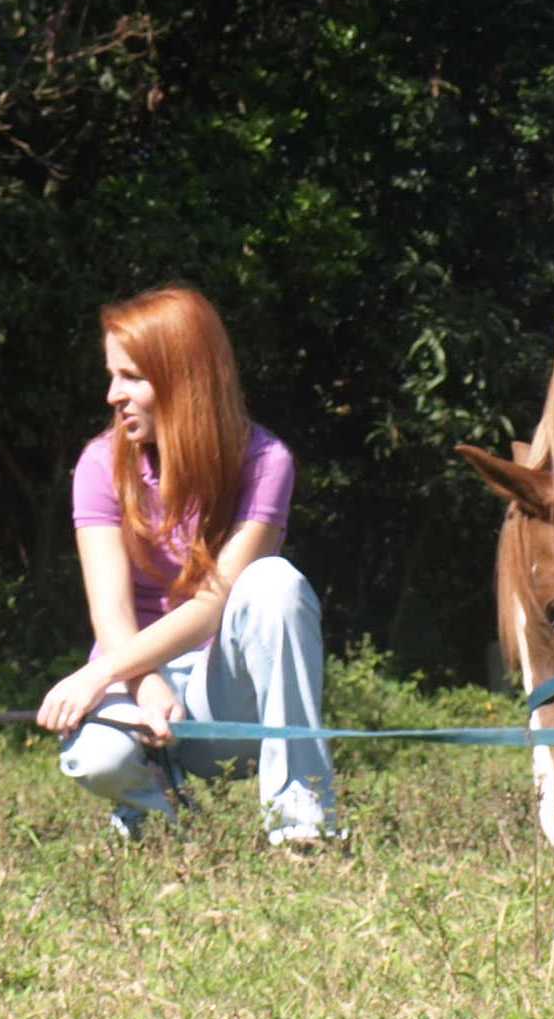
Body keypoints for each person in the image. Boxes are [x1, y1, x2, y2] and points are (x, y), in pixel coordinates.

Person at [35, 285, 340, 844]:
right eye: (112, 375)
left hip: (223, 688)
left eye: (131, 377)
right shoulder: (99, 464)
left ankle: (304, 830)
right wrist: (142, 682)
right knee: (96, 760)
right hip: (136, 681)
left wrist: (98, 674)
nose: (112, 395)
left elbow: (211, 608)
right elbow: (111, 615)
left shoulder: (265, 460)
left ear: (182, 378)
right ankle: (158, 819)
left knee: (276, 583)